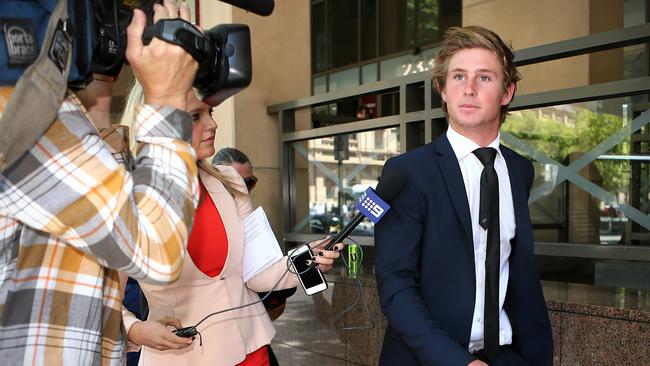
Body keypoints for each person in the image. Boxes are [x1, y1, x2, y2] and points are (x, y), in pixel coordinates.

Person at [0, 1, 200, 365]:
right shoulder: (22, 117)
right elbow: (156, 246)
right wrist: (169, 98)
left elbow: (103, 225)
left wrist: (96, 78)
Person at [120, 81, 342, 365]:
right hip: (182, 358)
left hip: (253, 350)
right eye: (195, 116)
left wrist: (306, 259)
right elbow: (99, 297)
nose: (212, 124)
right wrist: (136, 330)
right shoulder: (127, 197)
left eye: (210, 112)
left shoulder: (228, 181)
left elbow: (256, 273)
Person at [375, 26, 553, 366]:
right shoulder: (408, 173)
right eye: (458, 77)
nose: (468, 89)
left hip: (508, 355)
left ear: (507, 92)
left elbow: (515, 270)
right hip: (431, 359)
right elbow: (396, 286)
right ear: (442, 90)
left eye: (485, 78)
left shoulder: (519, 171)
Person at [213, 147, 297, 366]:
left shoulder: (255, 223)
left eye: (249, 183)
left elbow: (275, 300)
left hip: (253, 339)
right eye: (235, 183)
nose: (244, 190)